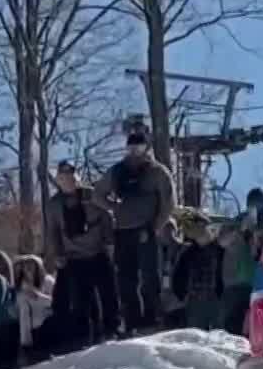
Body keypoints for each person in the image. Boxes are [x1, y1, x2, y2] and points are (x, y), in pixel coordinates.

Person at [96, 131, 175, 333]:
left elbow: (168, 203)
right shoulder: (117, 171)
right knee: (125, 280)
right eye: (131, 148)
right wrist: (113, 207)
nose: (134, 152)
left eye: (138, 147)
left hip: (146, 229)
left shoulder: (158, 172)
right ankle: (132, 321)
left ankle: (153, 318)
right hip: (122, 230)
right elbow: (98, 194)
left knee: (150, 277)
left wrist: (155, 226)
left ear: (147, 148)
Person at [43, 161, 118, 347]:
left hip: (98, 252)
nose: (67, 180)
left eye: (71, 176)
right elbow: (53, 231)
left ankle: (112, 331)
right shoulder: (53, 205)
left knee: (108, 294)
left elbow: (107, 217)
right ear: (58, 180)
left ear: (76, 177)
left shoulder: (92, 195)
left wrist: (109, 243)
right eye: (63, 177)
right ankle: (85, 338)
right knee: (81, 301)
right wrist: (58, 254)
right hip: (74, 257)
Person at [220, 188, 263, 336]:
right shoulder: (234, 223)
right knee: (232, 330)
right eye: (253, 204)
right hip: (234, 284)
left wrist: (259, 237)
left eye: (260, 204)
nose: (256, 207)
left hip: (258, 288)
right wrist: (240, 229)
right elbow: (222, 242)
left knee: (255, 332)